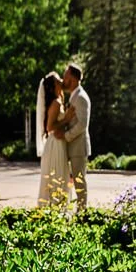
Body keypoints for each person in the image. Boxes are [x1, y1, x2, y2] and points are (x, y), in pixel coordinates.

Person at [57, 63, 91, 211]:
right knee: (72, 181)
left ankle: (82, 213)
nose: (63, 79)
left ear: (73, 78)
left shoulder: (81, 97)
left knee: (79, 181)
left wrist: (66, 136)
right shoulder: (74, 96)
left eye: (66, 76)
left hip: (78, 147)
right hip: (71, 146)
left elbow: (82, 124)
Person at [36, 71, 72, 207]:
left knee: (59, 176)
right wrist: (67, 119)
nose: (61, 81)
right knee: (57, 176)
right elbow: (49, 127)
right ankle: (54, 208)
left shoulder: (58, 101)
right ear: (53, 86)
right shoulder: (56, 103)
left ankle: (56, 208)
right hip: (55, 144)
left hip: (58, 142)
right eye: (58, 81)